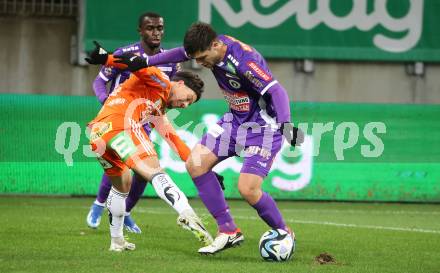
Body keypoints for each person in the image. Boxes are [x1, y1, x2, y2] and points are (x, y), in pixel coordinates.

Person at [110, 22, 304, 254]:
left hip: (263, 126)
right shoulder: (208, 45)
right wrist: (146, 61)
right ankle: (228, 231)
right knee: (196, 163)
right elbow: (181, 53)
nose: (200, 63)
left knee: (248, 189)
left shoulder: (244, 62)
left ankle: (284, 232)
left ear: (215, 45)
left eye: (202, 58)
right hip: (235, 120)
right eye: (196, 59)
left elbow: (276, 91)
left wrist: (286, 124)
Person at [85, 44, 213, 251]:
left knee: (122, 184)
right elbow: (136, 64)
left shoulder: (156, 107)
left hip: (98, 134)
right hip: (121, 125)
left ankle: (116, 241)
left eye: (190, 104)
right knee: (154, 171)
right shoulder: (161, 81)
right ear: (179, 83)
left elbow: (174, 140)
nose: (185, 105)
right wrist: (105, 58)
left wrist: (203, 167)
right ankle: (187, 213)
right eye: (188, 98)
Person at [86, 11, 180, 233]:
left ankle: (125, 212)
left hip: (145, 121)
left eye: (159, 28)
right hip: (119, 119)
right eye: (150, 28)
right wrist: (106, 101)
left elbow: (169, 92)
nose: (156, 32)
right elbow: (99, 81)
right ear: (140, 30)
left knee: (143, 170)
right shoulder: (124, 54)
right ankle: (99, 205)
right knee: (119, 160)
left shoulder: (169, 61)